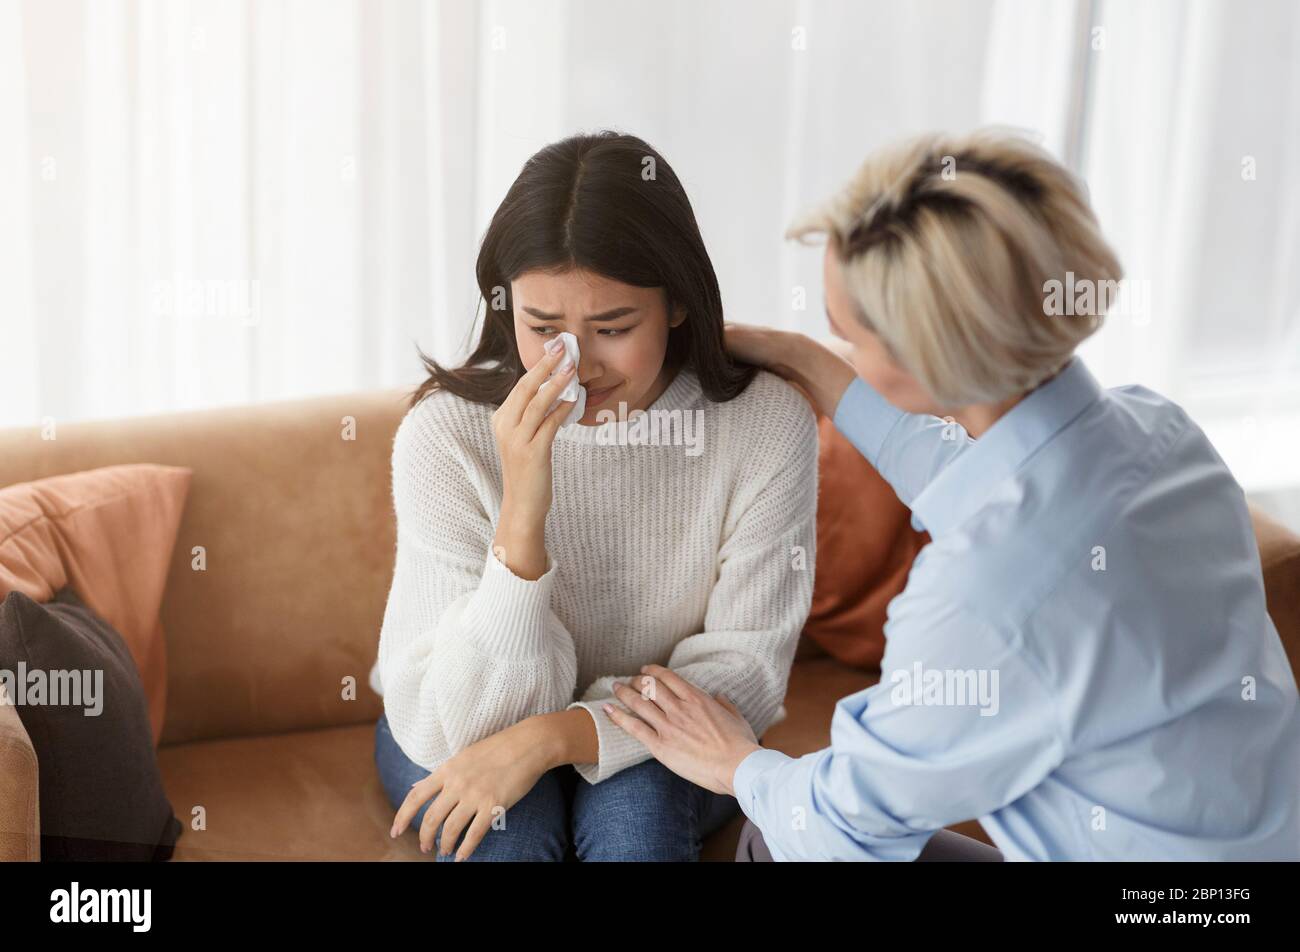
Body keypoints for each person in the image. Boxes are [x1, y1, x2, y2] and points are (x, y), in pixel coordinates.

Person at [604, 129, 1300, 861]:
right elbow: (991, 480)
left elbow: (843, 828)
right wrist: (796, 357)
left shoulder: (983, 596)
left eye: (846, 334)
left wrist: (732, 761)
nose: (835, 343)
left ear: (928, 359)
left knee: (773, 841)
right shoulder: (1160, 435)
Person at [371, 131, 818, 861]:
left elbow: (747, 668)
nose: (574, 364)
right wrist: (522, 514)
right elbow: (453, 720)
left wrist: (556, 736)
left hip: (672, 733)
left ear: (676, 304)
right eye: (542, 327)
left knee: (635, 830)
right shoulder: (445, 434)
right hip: (458, 718)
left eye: (612, 328)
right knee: (510, 842)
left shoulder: (764, 426)